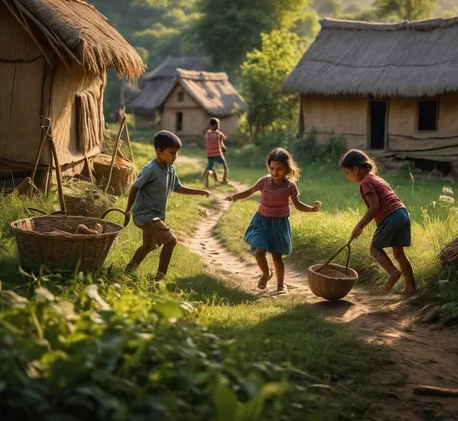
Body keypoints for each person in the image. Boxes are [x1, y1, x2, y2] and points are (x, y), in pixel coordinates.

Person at [226, 148, 321, 294]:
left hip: (279, 225)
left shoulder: (290, 187)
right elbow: (249, 191)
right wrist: (235, 196)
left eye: (279, 169)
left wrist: (310, 209)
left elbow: (297, 205)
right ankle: (265, 274)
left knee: (277, 258)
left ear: (287, 169)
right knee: (259, 252)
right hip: (262, 222)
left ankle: (281, 285)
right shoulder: (264, 182)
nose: (275, 172)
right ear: (268, 167)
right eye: (272, 168)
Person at [125, 130, 210, 280]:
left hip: (156, 215)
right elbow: (135, 187)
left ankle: (128, 271)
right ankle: (159, 279)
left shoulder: (170, 169)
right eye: (171, 153)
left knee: (148, 246)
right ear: (159, 151)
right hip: (145, 214)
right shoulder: (150, 169)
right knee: (170, 241)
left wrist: (199, 191)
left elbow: (177, 187)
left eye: (176, 153)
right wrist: (127, 210)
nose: (175, 157)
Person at [340, 149, 416, 295]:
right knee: (399, 253)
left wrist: (360, 225)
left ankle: (393, 272)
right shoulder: (377, 178)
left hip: (391, 216)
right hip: (402, 214)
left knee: (374, 248)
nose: (347, 177)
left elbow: (375, 207)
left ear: (355, 169)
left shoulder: (365, 183)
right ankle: (410, 287)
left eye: (347, 173)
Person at [204, 118, 228, 188]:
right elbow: (221, 143)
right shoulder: (219, 134)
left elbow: (206, 143)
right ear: (213, 125)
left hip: (209, 154)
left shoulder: (207, 134)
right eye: (217, 124)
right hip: (217, 153)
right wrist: (224, 149)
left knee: (211, 168)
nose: (218, 125)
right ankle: (224, 180)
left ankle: (208, 174)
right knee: (225, 165)